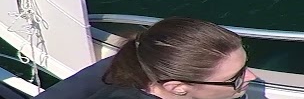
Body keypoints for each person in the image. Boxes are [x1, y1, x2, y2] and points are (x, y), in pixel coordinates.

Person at [38, 18, 256, 99]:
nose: (252, 76)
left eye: (246, 66)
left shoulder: (136, 62)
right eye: (235, 78)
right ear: (177, 88)